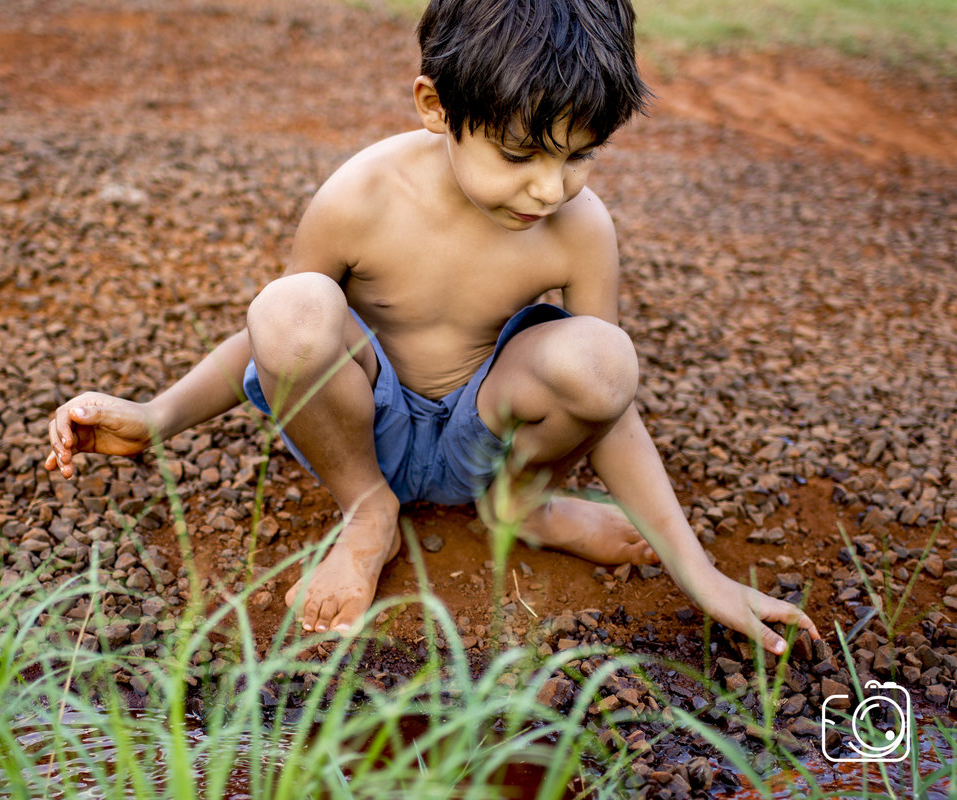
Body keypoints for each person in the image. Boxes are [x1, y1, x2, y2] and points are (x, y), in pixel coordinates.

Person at [45, 0, 820, 655]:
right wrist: (156, 417)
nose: (550, 189)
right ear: (434, 106)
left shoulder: (579, 228)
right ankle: (367, 510)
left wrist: (698, 572)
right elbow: (276, 339)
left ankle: (524, 505)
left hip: (484, 439)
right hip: (362, 434)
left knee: (604, 356)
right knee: (290, 301)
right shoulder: (360, 197)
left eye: (580, 157)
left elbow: (608, 402)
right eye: (519, 154)